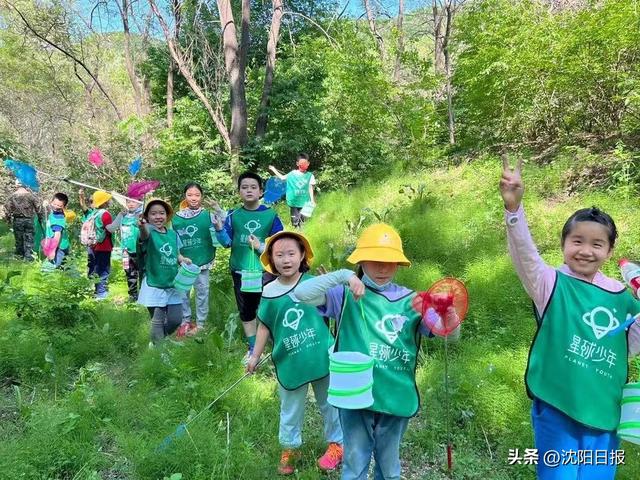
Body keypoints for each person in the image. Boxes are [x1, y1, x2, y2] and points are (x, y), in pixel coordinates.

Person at [499, 156, 640, 480]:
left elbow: (629, 346)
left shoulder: (622, 296)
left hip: (605, 414)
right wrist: (513, 211)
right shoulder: (550, 284)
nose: (585, 251)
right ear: (563, 244)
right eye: (577, 241)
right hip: (556, 408)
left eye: (596, 244)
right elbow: (526, 257)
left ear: (609, 249)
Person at [294, 223, 459, 480]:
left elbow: (450, 335)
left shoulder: (412, 301)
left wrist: (449, 313)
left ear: (399, 264)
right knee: (355, 461)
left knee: (389, 466)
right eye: (374, 260)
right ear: (361, 260)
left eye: (390, 261)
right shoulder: (345, 294)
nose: (383, 268)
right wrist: (342, 276)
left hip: (395, 395)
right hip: (356, 396)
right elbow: (301, 293)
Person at [246, 231, 343, 475]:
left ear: (302, 256)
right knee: (290, 407)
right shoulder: (268, 291)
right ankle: (290, 447)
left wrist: (332, 288)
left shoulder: (313, 282)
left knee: (331, 403)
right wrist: (255, 356)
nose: (286, 259)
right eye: (279, 255)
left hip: (321, 355)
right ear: (270, 259)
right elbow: (265, 325)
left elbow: (336, 310)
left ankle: (337, 444)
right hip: (290, 360)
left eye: (291, 253)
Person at [213, 172, 284, 363]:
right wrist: (220, 229)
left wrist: (261, 246)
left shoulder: (270, 215)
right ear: (239, 192)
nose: (249, 190)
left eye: (253, 187)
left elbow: (281, 245)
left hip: (265, 271)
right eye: (244, 187)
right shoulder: (233, 215)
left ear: (261, 191)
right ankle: (254, 349)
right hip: (240, 270)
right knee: (246, 311)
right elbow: (227, 243)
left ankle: (276, 346)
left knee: (269, 307)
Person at [173, 182, 225, 333]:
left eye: (197, 195)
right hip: (184, 262)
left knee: (202, 292)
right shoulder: (176, 218)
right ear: (185, 196)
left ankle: (201, 323)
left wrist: (217, 208)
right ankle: (185, 321)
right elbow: (172, 239)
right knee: (182, 293)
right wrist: (178, 256)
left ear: (201, 196)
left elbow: (225, 223)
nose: (193, 198)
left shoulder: (208, 215)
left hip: (203, 261)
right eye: (190, 195)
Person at [137, 198, 191, 344]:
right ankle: (158, 351)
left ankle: (158, 339)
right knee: (158, 320)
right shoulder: (148, 232)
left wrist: (182, 259)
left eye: (161, 213)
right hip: (154, 283)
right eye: (153, 214)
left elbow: (176, 253)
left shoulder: (173, 234)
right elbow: (144, 235)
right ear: (147, 216)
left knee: (176, 319)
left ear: (167, 215)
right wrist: (142, 226)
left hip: (172, 283)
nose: (158, 217)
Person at [105, 190, 143, 301]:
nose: (131, 204)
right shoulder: (123, 215)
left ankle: (144, 296)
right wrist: (100, 221)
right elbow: (112, 228)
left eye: (133, 202)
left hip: (140, 250)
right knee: (130, 273)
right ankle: (133, 295)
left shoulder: (142, 215)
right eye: (128, 201)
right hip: (126, 251)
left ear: (140, 203)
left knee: (143, 273)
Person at [269, 153, 316, 228]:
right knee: (295, 222)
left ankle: (302, 234)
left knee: (303, 221)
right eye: (302, 163)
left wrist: (312, 200)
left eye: (305, 163)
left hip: (305, 201)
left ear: (308, 163)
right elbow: (282, 177)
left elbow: (310, 188)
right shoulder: (292, 173)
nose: (304, 165)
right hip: (294, 202)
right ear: (297, 163)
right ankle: (296, 232)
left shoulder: (310, 175)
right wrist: (273, 169)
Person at [86, 191, 113, 300]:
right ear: (104, 202)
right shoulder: (105, 214)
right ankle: (101, 293)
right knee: (103, 269)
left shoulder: (93, 213)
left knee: (96, 267)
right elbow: (109, 229)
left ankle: (96, 290)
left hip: (94, 245)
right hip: (104, 245)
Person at [4, 181, 41, 260]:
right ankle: (29, 256)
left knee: (19, 239)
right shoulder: (31, 196)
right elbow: (38, 208)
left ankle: (19, 256)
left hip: (17, 220)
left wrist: (8, 220)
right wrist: (40, 218)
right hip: (29, 220)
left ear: (17, 185)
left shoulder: (12, 197)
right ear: (25, 184)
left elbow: (7, 209)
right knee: (29, 238)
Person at [43, 192, 70, 269]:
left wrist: (52, 250)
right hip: (62, 245)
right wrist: (47, 204)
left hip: (58, 246)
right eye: (54, 204)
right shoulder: (55, 213)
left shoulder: (58, 218)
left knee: (49, 268)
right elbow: (52, 208)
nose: (56, 207)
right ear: (52, 202)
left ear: (64, 207)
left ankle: (46, 278)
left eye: (59, 206)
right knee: (66, 267)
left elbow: (57, 235)